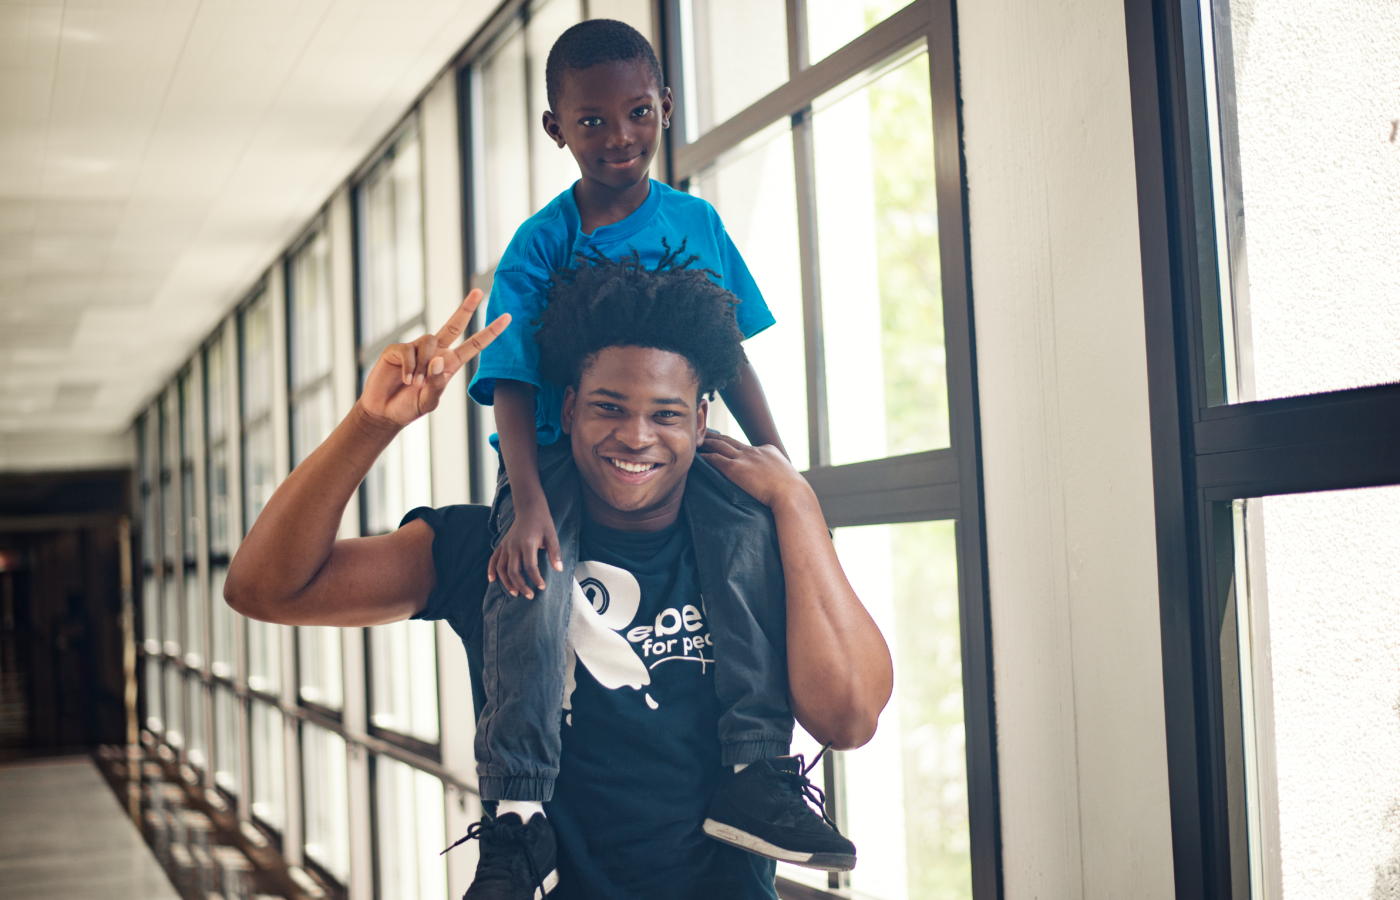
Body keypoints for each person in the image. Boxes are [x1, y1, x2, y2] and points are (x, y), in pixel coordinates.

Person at [223, 267, 893, 899]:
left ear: (700, 420)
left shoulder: (753, 548)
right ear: (568, 408)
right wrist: (371, 424)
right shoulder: (485, 548)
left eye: (665, 413)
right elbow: (265, 589)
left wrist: (797, 503)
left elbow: (850, 717)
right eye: (609, 406)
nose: (636, 436)